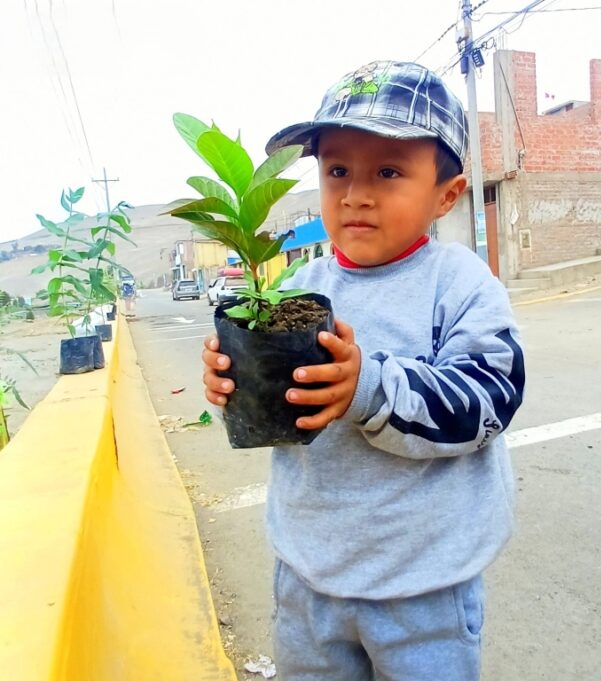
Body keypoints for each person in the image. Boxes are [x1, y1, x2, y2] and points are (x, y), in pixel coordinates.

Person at [202, 60, 525, 680]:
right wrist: (231, 381)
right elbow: (275, 409)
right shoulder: (297, 288)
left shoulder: (458, 285)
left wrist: (367, 386)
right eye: (338, 171)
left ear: (446, 194)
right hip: (308, 579)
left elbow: (490, 398)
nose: (356, 193)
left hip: (424, 586)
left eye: (388, 171)